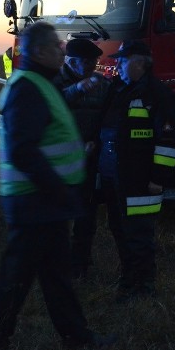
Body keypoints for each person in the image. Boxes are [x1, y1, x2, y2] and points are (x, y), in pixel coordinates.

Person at [0, 22, 115, 350]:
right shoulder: (28, 87)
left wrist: (80, 89)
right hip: (34, 200)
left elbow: (53, 108)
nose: (62, 51)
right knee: (18, 275)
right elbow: (25, 151)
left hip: (43, 200)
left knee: (56, 274)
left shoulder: (39, 82)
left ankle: (76, 337)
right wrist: (58, 190)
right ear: (39, 51)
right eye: (56, 46)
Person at [97, 40, 175, 302]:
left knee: (139, 233)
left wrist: (158, 178)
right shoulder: (118, 89)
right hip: (115, 174)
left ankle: (143, 286)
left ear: (140, 62)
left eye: (123, 60)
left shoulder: (159, 95)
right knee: (119, 228)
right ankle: (128, 279)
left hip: (140, 177)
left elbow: (169, 142)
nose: (118, 65)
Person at [52, 38, 110, 279]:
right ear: (70, 61)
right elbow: (51, 108)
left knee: (86, 212)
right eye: (85, 62)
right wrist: (77, 89)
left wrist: (96, 140)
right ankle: (56, 262)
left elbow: (107, 116)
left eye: (93, 62)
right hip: (60, 159)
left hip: (89, 157)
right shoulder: (54, 82)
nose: (89, 67)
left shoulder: (102, 84)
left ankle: (80, 263)